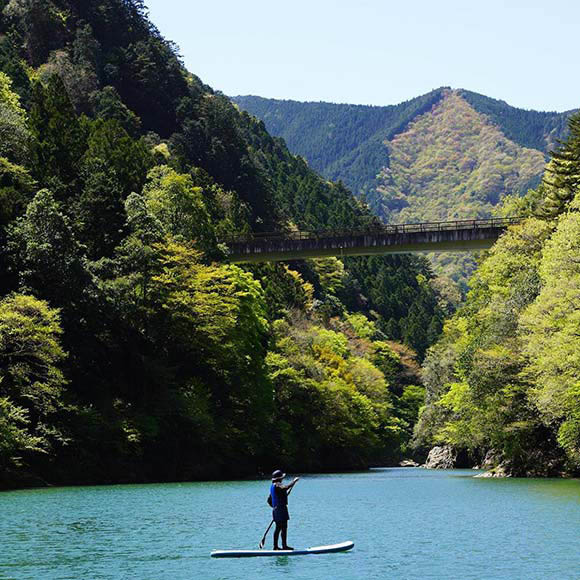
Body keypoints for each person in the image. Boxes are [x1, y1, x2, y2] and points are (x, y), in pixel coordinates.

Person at [268, 469, 299, 550]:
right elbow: (286, 487)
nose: (282, 479)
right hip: (281, 510)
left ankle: (276, 546)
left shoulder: (273, 486)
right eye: (282, 477)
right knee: (283, 527)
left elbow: (269, 500)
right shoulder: (278, 485)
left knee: (278, 528)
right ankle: (283, 546)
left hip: (276, 510)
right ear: (279, 478)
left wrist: (275, 507)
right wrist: (294, 481)